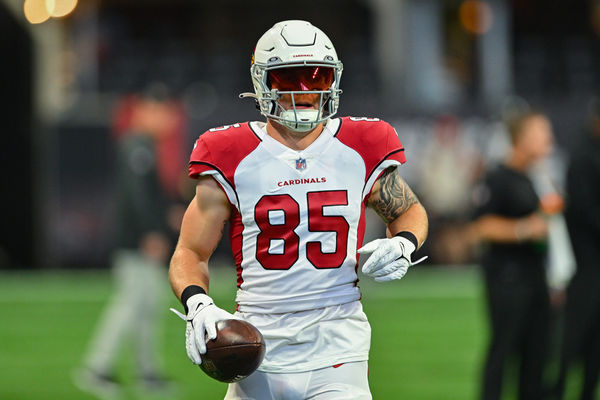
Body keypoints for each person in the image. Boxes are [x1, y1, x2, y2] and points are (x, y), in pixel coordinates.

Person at [169, 20, 428, 400]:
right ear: (262, 82)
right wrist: (198, 303)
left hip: (338, 342)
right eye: (288, 78)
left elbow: (409, 210)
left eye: (317, 78)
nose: (303, 92)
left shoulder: (362, 144)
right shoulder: (229, 152)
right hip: (256, 347)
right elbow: (190, 251)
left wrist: (404, 243)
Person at [74, 85, 182, 399]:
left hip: (139, 239)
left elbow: (145, 195)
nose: (167, 119)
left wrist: (165, 217)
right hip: (135, 242)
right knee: (131, 304)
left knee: (148, 306)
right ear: (146, 110)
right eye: (161, 111)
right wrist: (152, 232)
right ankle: (96, 367)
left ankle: (146, 371)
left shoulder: (143, 143)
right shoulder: (137, 144)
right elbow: (136, 197)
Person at [469, 111, 554, 400]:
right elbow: (479, 227)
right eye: (542, 133)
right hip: (507, 279)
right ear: (522, 138)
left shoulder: (533, 177)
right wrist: (523, 229)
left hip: (535, 278)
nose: (549, 140)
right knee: (503, 351)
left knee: (537, 354)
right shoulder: (498, 177)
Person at [552, 100, 600, 400]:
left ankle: (586, 392)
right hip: (585, 264)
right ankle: (556, 391)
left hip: (594, 262)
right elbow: (584, 211)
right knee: (575, 335)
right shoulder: (582, 156)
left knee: (596, 338)